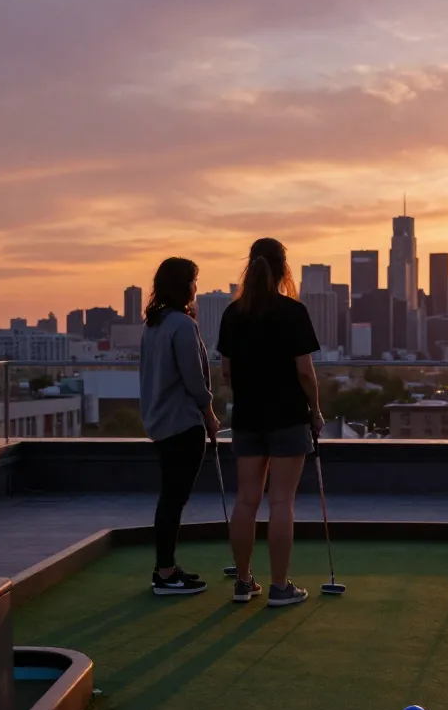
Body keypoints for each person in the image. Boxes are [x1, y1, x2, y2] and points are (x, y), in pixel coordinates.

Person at [217, 237, 324, 607]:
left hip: (247, 417)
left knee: (246, 501)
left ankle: (243, 582)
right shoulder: (292, 312)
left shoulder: (233, 314)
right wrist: (316, 410)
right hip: (288, 418)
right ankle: (280, 587)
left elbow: (227, 372)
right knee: (282, 502)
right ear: (283, 268)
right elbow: (306, 373)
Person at [138, 257, 221, 596]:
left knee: (169, 497)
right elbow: (195, 379)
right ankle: (166, 572)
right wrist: (210, 414)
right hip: (182, 423)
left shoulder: (153, 324)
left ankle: (166, 567)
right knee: (174, 499)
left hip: (159, 422)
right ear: (184, 286)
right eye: (194, 282)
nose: (196, 289)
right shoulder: (183, 326)